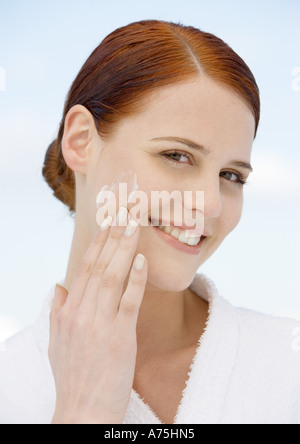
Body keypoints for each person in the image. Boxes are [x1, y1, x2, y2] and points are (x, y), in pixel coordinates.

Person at [0, 19, 299, 425]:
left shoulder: (288, 366)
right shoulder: (10, 388)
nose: (210, 204)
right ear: (81, 141)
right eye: (177, 156)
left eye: (232, 176)